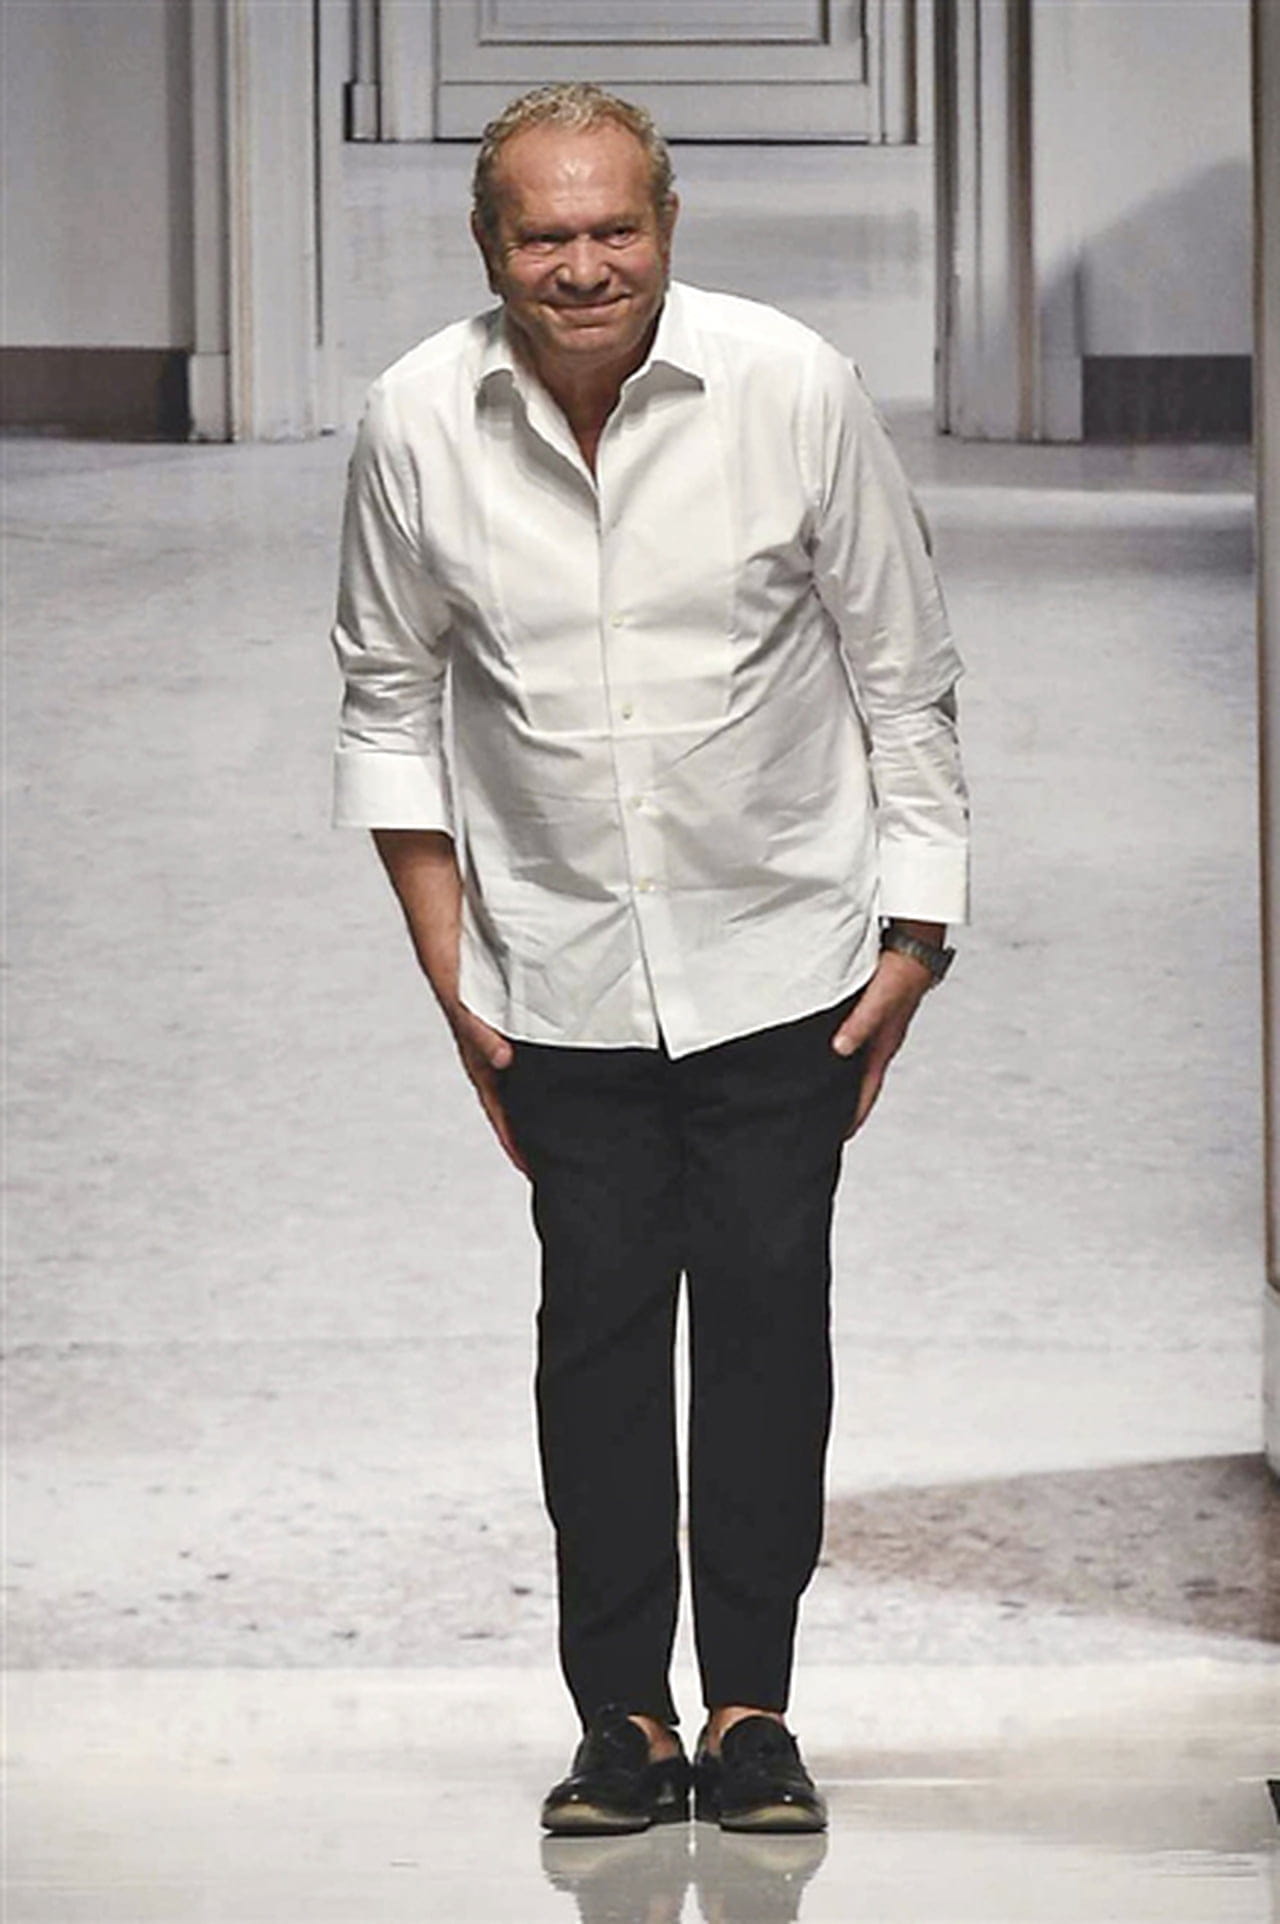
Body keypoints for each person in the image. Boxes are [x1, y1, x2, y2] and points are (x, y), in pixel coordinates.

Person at [331, 81, 968, 1837]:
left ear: (669, 226)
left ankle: (753, 1711)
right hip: (555, 973)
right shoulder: (415, 420)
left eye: (616, 227)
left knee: (768, 1329)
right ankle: (621, 1719)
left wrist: (915, 937)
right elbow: (385, 700)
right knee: (594, 1345)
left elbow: (904, 672)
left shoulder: (793, 388)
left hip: (786, 955)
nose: (585, 264)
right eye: (546, 235)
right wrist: (454, 977)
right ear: (490, 249)